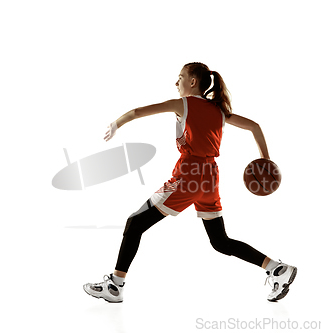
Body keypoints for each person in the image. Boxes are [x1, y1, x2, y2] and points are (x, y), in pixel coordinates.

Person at [83, 62, 297, 303]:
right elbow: (255, 127)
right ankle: (277, 269)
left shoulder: (183, 104)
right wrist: (265, 161)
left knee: (135, 223)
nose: (176, 83)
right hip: (211, 179)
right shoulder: (219, 110)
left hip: (189, 176)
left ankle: (115, 285)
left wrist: (115, 124)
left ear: (192, 82)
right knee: (220, 241)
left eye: (180, 77)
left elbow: (137, 112)